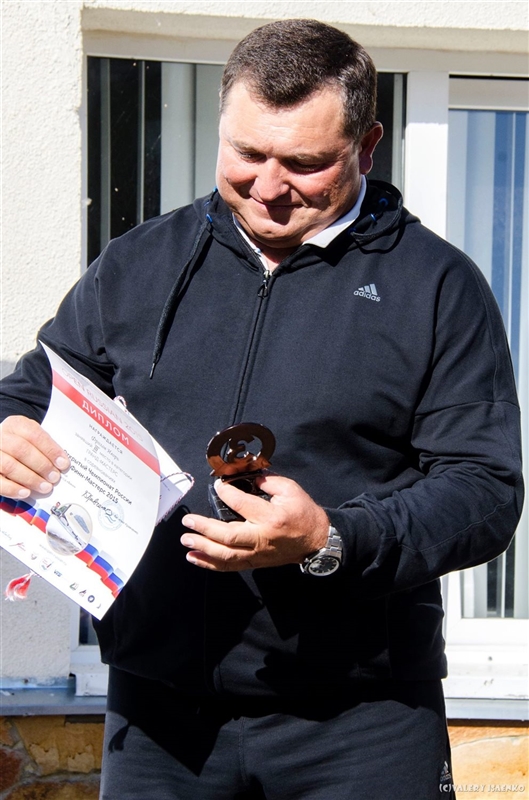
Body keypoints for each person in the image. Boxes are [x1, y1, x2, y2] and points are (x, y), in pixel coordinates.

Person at [0, 18, 523, 800]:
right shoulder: (141, 261)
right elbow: (34, 391)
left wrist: (331, 538)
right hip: (159, 715)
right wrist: (8, 431)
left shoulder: (436, 287)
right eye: (246, 153)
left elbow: (483, 491)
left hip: (360, 718)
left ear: (367, 146)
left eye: (305, 163)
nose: (269, 187)